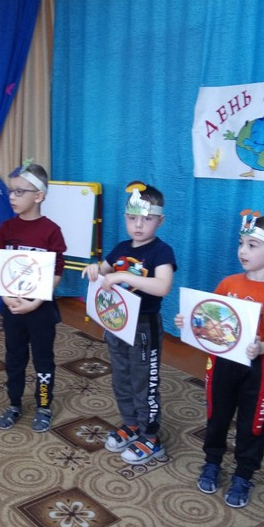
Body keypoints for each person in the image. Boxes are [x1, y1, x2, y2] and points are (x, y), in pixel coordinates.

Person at [175, 210, 264, 508]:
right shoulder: (229, 282)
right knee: (217, 415)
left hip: (258, 368)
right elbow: (210, 318)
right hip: (221, 363)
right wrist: (189, 321)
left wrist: (262, 347)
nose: (242, 250)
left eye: (252, 245)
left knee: (252, 423)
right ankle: (212, 461)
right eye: (241, 243)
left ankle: (244, 474)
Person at [82, 181, 176, 464]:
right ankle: (132, 424)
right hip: (117, 325)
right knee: (121, 376)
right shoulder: (121, 248)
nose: (138, 225)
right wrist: (94, 268)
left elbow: (162, 286)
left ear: (160, 220)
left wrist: (124, 276)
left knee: (144, 381)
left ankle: (151, 437)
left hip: (144, 327)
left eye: (146, 219)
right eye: (132, 218)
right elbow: (103, 272)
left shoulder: (161, 251)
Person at [0, 160, 67, 433]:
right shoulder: (6, 229)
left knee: (43, 359)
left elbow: (57, 272)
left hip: (40, 311)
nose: (12, 197)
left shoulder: (51, 231)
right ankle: (14, 403)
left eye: (19, 192)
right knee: (14, 357)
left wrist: (37, 300)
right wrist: (6, 298)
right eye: (11, 191)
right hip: (12, 308)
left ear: (38, 196)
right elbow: (1, 268)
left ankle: (44, 405)